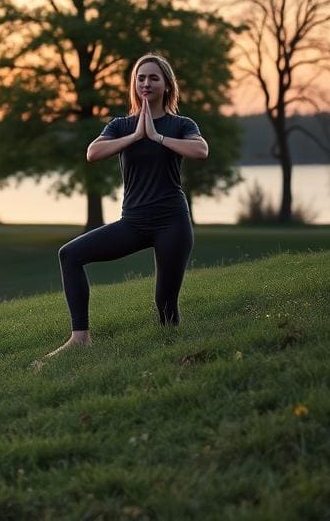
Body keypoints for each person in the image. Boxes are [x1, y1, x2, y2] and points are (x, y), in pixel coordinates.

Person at [46, 53, 209, 358]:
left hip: (171, 222)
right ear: (134, 84)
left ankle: (175, 357)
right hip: (133, 223)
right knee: (70, 255)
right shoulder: (121, 125)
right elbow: (93, 153)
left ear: (167, 85)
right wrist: (136, 136)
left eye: (153, 78)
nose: (146, 83)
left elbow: (200, 150)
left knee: (166, 309)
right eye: (141, 77)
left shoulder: (180, 124)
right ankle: (80, 338)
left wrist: (157, 137)